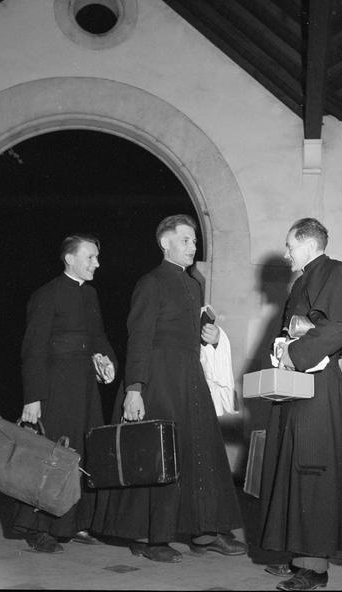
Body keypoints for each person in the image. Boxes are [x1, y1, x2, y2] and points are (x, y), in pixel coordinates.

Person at [93, 214, 246, 563]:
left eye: (194, 241)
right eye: (186, 240)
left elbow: (192, 334)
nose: (193, 246)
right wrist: (134, 388)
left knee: (201, 452)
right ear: (165, 243)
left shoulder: (194, 285)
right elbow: (140, 339)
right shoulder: (151, 283)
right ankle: (150, 537)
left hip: (190, 378)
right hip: (158, 379)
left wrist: (211, 336)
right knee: (157, 456)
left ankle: (205, 531)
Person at [259, 218, 342, 591]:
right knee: (292, 467)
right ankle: (297, 556)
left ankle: (315, 567)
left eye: (290, 245)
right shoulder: (304, 279)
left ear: (308, 244)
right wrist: (284, 351)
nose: (287, 252)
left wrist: (294, 354)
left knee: (313, 468)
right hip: (298, 384)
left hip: (318, 387)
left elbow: (339, 327)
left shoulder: (336, 273)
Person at [12, 233, 118, 553]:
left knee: (82, 454)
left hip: (85, 388)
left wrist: (108, 362)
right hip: (55, 388)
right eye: (90, 257)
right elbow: (33, 350)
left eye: (97, 257)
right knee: (50, 457)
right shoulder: (47, 294)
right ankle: (37, 527)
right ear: (69, 259)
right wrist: (33, 398)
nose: (96, 263)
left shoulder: (91, 295)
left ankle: (73, 525)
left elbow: (98, 337)